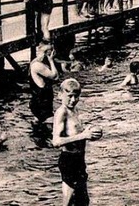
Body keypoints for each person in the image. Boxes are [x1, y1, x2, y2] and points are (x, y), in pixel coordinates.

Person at [52, 78, 103, 206]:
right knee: (69, 201)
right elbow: (56, 141)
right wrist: (84, 135)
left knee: (83, 200)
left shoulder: (74, 110)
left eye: (76, 96)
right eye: (69, 96)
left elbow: (74, 131)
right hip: (69, 159)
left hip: (79, 159)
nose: (73, 100)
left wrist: (89, 131)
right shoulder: (61, 112)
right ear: (60, 95)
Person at [29, 44, 59, 124]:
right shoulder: (37, 65)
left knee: (40, 126)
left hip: (43, 101)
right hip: (42, 103)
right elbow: (55, 76)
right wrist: (51, 61)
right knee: (52, 125)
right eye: (51, 53)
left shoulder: (42, 64)